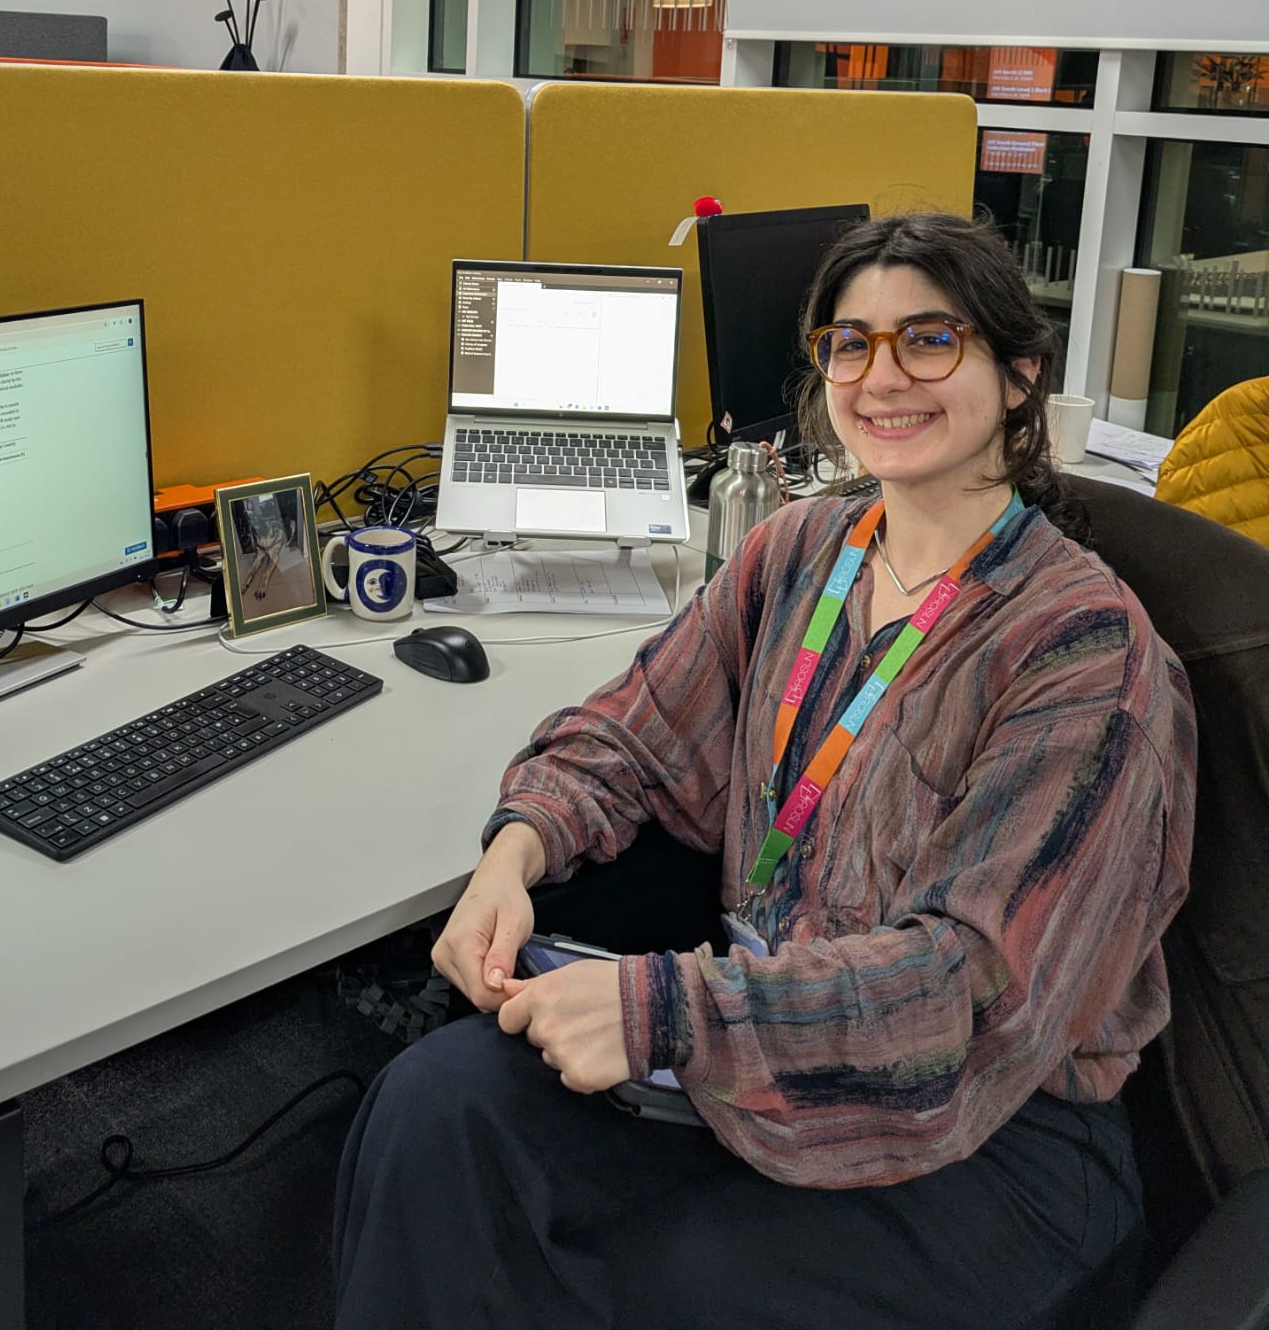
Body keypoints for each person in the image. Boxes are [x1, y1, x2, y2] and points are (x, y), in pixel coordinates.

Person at [334, 211, 1197, 1330]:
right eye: (850, 343)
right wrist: (516, 849)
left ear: (1019, 375)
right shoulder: (802, 548)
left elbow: (969, 995)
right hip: (751, 1045)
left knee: (646, 1282)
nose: (881, 376)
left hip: (988, 1128)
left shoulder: (1081, 651)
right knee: (433, 1107)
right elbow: (632, 732)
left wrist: (663, 1009)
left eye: (927, 339)